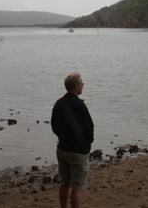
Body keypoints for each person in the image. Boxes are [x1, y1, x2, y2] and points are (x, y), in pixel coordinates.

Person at [51, 72, 94, 208]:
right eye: (82, 84)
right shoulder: (79, 105)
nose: (83, 86)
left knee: (65, 182)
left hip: (62, 148)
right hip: (77, 152)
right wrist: (86, 145)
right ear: (76, 87)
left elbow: (54, 125)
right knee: (77, 186)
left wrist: (62, 137)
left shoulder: (59, 103)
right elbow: (89, 127)